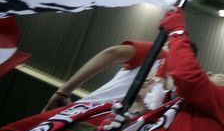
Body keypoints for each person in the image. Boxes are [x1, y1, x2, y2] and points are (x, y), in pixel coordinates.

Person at [87, 8, 224, 131]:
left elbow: (187, 76)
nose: (209, 72)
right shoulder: (170, 108)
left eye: (219, 76)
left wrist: (177, 31)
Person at [0, 75, 159, 131]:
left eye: (159, 81)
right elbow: (16, 130)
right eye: (150, 76)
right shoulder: (88, 107)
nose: (149, 79)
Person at [43, 37, 195, 111]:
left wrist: (63, 92)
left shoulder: (159, 53)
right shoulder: (181, 91)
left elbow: (112, 53)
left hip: (90, 112)